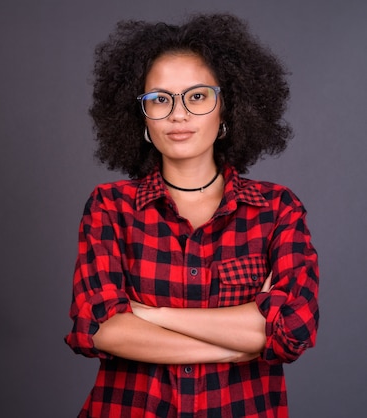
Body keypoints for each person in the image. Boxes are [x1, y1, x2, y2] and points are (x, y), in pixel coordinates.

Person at [64, 13, 319, 418]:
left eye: (197, 96)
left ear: (227, 108)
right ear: (142, 116)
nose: (178, 114)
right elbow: (100, 328)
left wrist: (149, 314)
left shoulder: (275, 210)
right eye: (159, 99)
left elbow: (294, 326)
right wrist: (240, 340)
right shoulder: (111, 207)